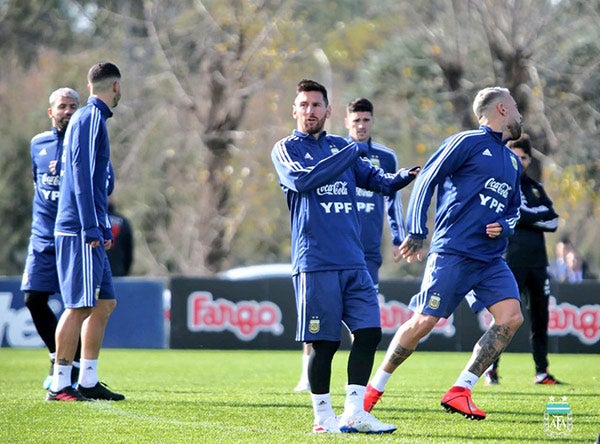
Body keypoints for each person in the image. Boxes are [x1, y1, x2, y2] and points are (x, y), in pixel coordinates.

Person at [364, 86, 525, 421]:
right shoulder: (467, 142)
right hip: (453, 251)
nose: (520, 112)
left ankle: (460, 389)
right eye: (515, 106)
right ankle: (373, 389)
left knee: (511, 317)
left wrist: (505, 227)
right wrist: (417, 231)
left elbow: (514, 210)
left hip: (491, 259)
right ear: (502, 110)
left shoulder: (512, 161)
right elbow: (426, 180)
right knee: (425, 322)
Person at [271, 79, 418, 433]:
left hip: (355, 261)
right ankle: (323, 417)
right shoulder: (286, 149)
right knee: (324, 343)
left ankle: (354, 412)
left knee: (369, 333)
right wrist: (349, 154)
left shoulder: (340, 146)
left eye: (316, 105)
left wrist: (410, 175)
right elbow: (304, 181)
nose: (310, 111)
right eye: (303, 105)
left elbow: (378, 182)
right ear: (294, 110)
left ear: (328, 111)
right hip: (316, 262)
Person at [293, 98, 415, 392]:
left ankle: (355, 396)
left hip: (366, 252)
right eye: (356, 121)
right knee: (322, 328)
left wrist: (400, 237)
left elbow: (390, 195)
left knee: (365, 325)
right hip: (326, 252)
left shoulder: (384, 156)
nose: (361, 126)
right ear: (346, 122)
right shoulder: (334, 151)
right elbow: (302, 183)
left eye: (366, 120)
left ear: (372, 122)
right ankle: (307, 377)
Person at [47, 62, 125, 402]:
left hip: (91, 226)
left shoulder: (93, 120)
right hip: (79, 229)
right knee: (78, 305)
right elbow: (80, 177)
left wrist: (103, 224)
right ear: (116, 87)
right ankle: (60, 382)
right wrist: (91, 225)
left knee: (104, 302)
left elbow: (96, 181)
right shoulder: (90, 118)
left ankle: (88, 380)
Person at [483, 133, 562, 385]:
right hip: (510, 262)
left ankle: (541, 372)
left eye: (524, 157)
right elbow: (526, 215)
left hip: (538, 264)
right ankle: (490, 370)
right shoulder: (502, 185)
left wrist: (524, 216)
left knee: (541, 319)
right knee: (503, 320)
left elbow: (554, 221)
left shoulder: (536, 188)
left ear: (529, 159)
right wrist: (534, 217)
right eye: (516, 155)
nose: (520, 160)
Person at [21, 88, 83, 389]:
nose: (68, 111)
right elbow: (38, 184)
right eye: (62, 106)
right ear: (51, 112)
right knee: (33, 299)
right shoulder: (38, 144)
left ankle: (75, 369)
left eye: (73, 106)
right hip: (42, 237)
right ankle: (57, 355)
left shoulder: (86, 144)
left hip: (73, 237)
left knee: (76, 306)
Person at [106, 197, 134, 277]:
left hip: (97, 271)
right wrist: (125, 271)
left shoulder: (94, 222)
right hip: (118, 271)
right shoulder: (123, 221)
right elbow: (129, 249)